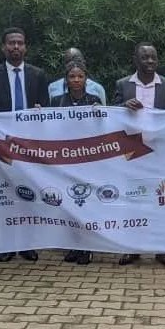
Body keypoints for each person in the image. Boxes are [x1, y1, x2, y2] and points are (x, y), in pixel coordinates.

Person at [0, 27, 50, 263]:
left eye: (20, 43)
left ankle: (28, 244)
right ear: (4, 47)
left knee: (29, 195)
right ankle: (7, 244)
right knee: (7, 196)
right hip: (4, 147)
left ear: (26, 47)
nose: (16, 47)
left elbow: (47, 111)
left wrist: (42, 111)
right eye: (11, 43)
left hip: (30, 147)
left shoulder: (38, 74)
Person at [114, 42, 165, 266]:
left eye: (153, 57)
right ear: (135, 60)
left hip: (159, 152)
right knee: (133, 201)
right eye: (145, 57)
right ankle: (133, 248)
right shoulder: (123, 84)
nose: (150, 61)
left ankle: (161, 248)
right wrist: (123, 105)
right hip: (132, 153)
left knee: (161, 201)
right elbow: (112, 116)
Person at [51, 59, 102, 266]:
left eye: (80, 76)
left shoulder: (94, 99)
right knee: (69, 203)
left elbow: (104, 128)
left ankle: (88, 247)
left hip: (88, 158)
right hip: (65, 159)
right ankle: (74, 245)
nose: (76, 80)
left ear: (86, 79)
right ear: (66, 80)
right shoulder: (56, 101)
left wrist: (101, 112)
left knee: (86, 203)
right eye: (72, 76)